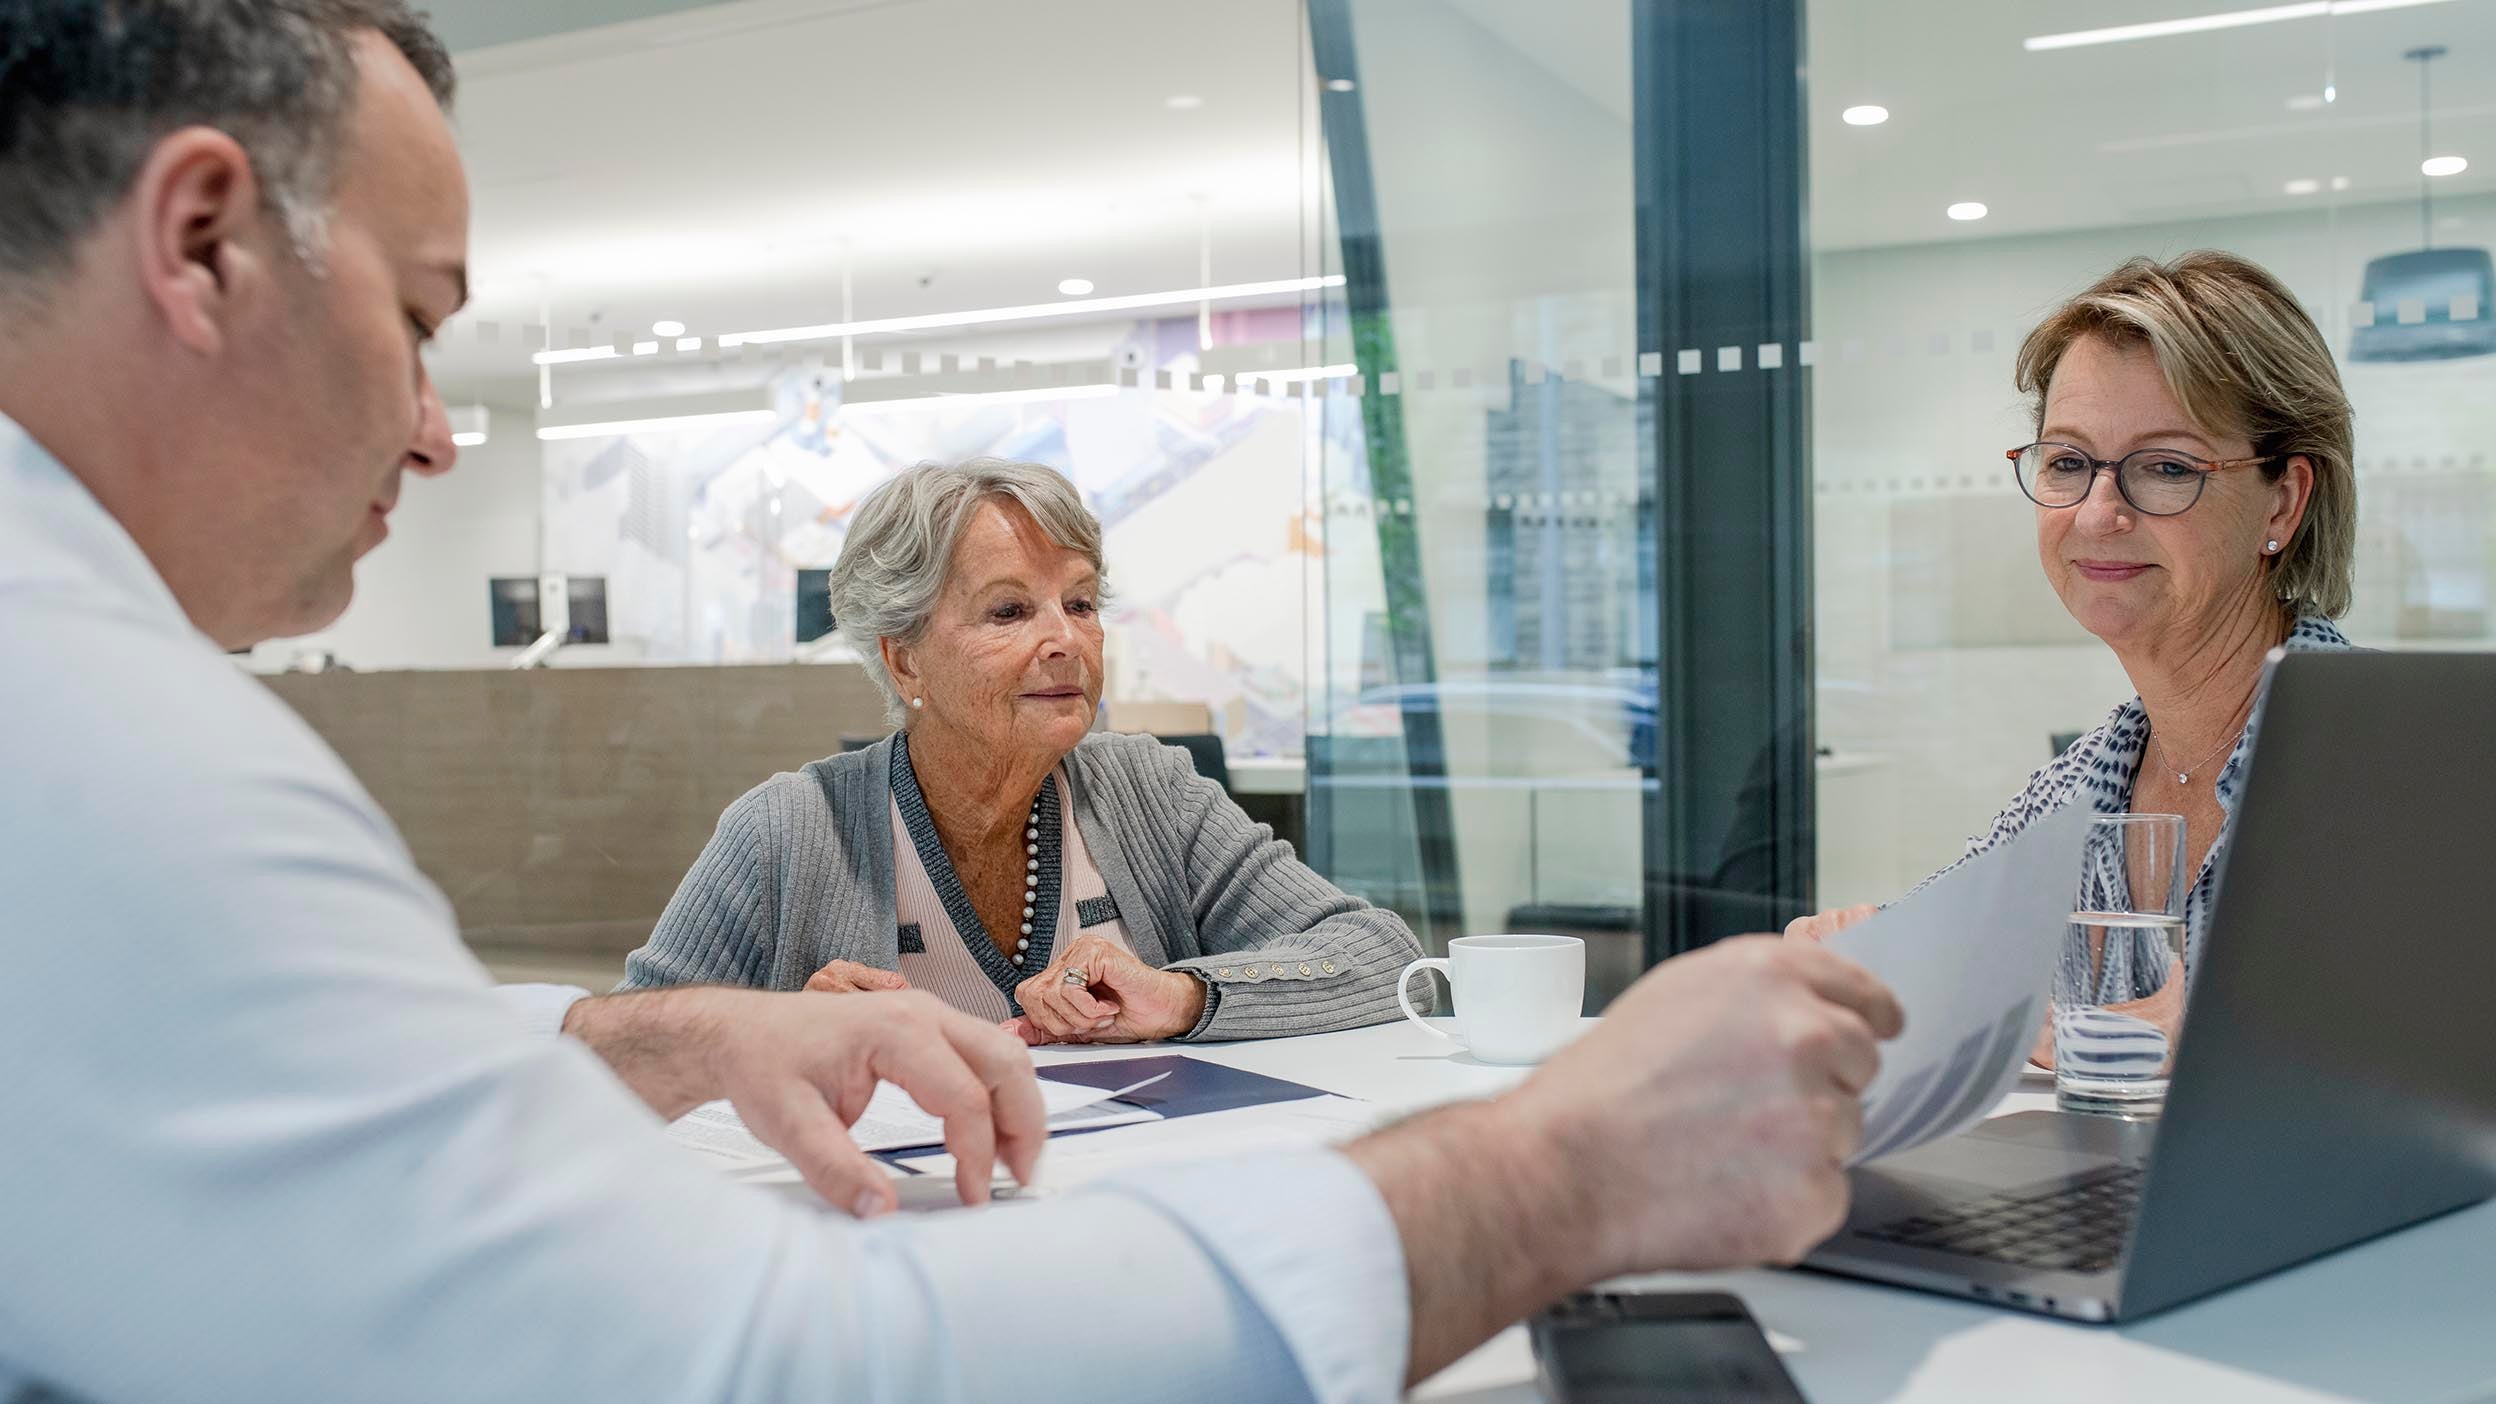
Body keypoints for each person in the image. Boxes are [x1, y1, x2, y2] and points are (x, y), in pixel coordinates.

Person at [0, 4, 1905, 1401]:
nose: (433, 425)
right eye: (419, 321)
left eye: (1079, 598)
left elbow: (349, 1078)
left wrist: (651, 1039)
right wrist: (1556, 1164)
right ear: (200, 241)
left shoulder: (89, 704)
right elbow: (742, 1360)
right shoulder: (115, 749)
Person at [622, 458, 1426, 1045]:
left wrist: (1181, 997)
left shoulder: (1149, 792)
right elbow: (622, 1052)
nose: (1066, 640)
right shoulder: (788, 831)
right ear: (904, 659)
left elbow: (1382, 958)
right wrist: (780, 1030)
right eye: (1008, 611)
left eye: (1080, 602)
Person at [1789, 252, 2357, 1010]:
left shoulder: (2407, 759)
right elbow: (1904, 955)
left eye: (2164, 467)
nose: (2096, 514)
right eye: (2067, 461)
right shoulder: (2078, 790)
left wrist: (2233, 1035)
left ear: (2282, 501)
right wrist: (1846, 957)